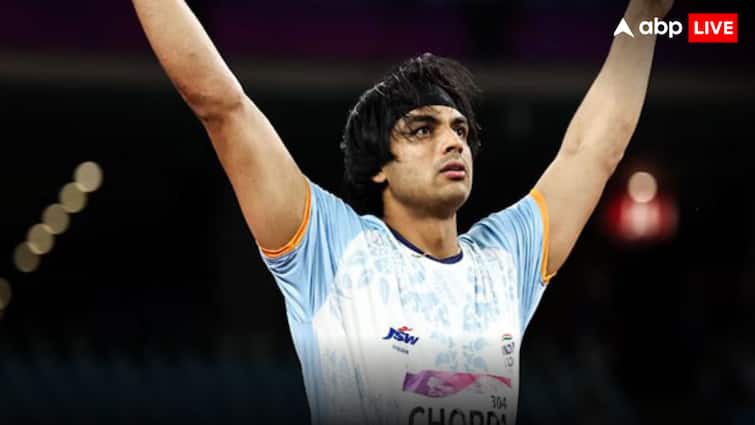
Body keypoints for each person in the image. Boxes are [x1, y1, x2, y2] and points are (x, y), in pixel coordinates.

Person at [132, 0, 672, 424]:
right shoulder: (330, 247)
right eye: (422, 130)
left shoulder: (506, 262)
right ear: (379, 168)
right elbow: (221, 105)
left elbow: (592, 152)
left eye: (459, 130)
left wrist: (644, 13)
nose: (453, 142)